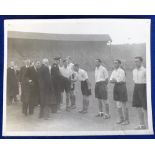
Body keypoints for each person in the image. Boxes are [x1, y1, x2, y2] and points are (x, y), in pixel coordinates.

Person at [110, 59, 129, 125]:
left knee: (124, 104)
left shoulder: (122, 71)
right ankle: (121, 119)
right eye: (114, 63)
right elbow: (110, 80)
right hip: (116, 87)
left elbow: (120, 80)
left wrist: (115, 80)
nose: (115, 64)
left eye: (116, 63)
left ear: (119, 64)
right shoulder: (113, 71)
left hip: (122, 87)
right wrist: (115, 80)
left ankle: (126, 120)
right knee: (118, 104)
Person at [132, 57, 147, 129]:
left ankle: (148, 125)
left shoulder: (145, 70)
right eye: (135, 61)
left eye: (137, 61)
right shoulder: (134, 71)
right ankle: (142, 124)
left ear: (141, 62)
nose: (136, 63)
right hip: (136, 87)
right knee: (138, 107)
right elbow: (134, 80)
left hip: (144, 88)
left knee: (145, 107)